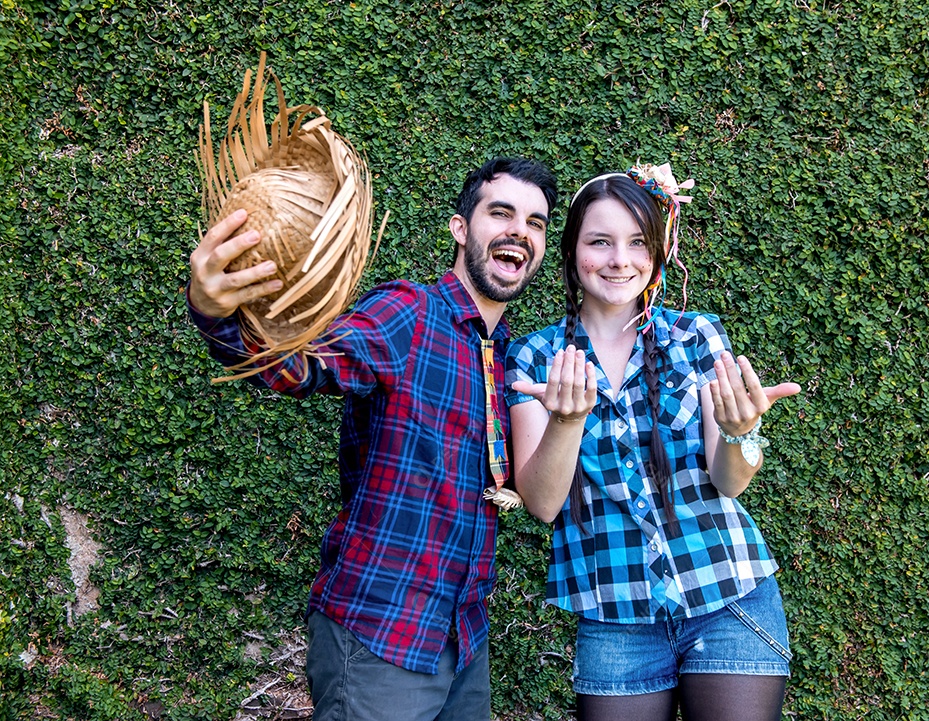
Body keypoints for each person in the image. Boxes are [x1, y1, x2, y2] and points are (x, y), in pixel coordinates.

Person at [187, 157, 558, 721]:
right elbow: (304, 363)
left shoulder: (509, 356)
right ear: (461, 229)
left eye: (535, 223)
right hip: (379, 632)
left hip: (465, 642)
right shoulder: (408, 313)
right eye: (500, 213)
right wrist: (215, 312)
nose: (518, 232)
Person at [506, 166, 801, 721]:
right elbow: (543, 505)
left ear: (658, 251)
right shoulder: (534, 359)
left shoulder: (697, 336)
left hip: (730, 599)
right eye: (600, 242)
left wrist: (742, 433)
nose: (621, 260)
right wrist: (567, 422)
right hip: (615, 619)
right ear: (571, 253)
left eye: (638, 242)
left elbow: (729, 480)